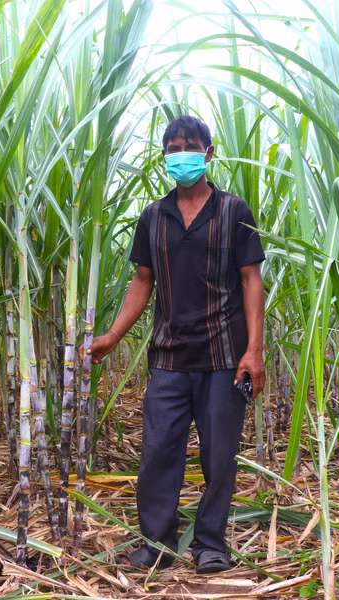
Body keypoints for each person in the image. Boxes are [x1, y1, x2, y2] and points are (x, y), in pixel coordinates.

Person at [87, 114, 266, 574]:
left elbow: (251, 280)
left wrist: (254, 350)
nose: (180, 155)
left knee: (218, 457)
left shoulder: (233, 211)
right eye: (172, 148)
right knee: (158, 453)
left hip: (224, 356)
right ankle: (157, 545)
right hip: (168, 357)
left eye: (189, 146)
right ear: (164, 156)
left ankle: (210, 545)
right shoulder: (154, 216)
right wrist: (113, 335)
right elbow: (142, 280)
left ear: (209, 153)